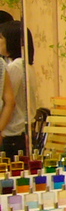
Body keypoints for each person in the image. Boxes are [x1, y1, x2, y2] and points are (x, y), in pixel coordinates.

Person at [0, 20, 34, 158]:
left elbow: (7, 100)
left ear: (12, 41)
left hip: (14, 132)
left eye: (1, 38)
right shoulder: (23, 64)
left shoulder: (15, 67)